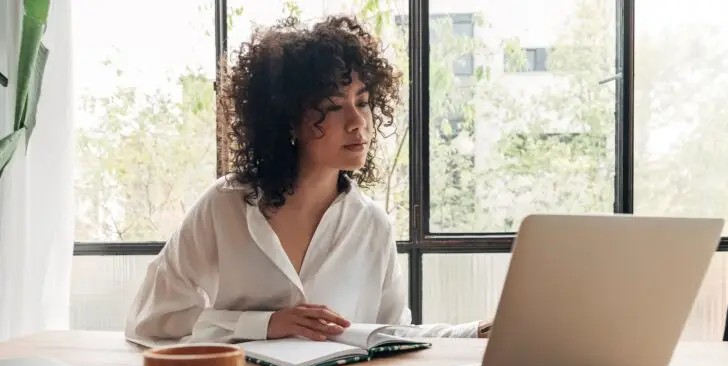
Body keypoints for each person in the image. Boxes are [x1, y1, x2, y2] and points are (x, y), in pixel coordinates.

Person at [125, 15, 493, 343]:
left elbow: (391, 337)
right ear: (288, 119)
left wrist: (474, 332)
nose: (357, 122)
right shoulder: (225, 206)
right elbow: (152, 320)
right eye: (333, 107)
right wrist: (266, 325)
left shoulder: (371, 226)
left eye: (362, 102)